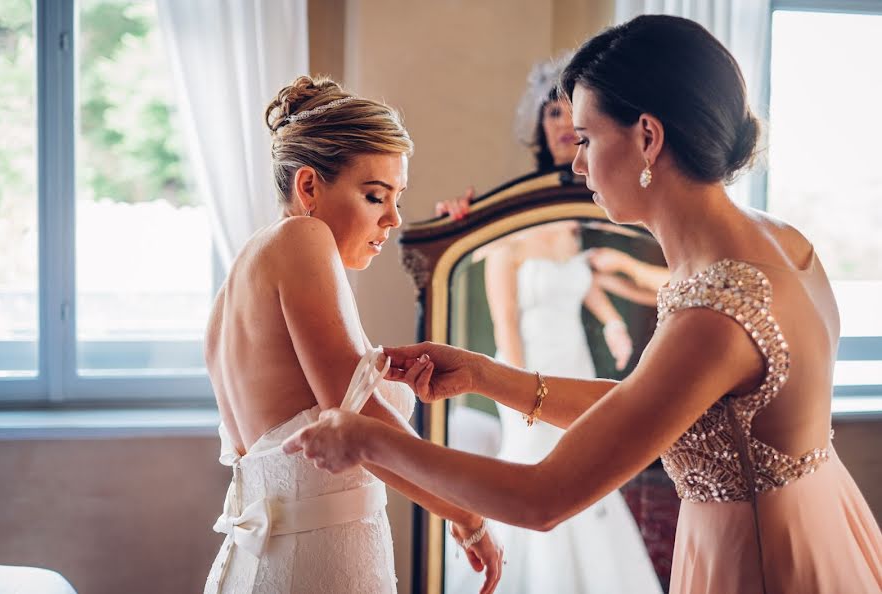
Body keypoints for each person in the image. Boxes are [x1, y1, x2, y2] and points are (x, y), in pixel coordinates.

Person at [284, 16, 882, 594]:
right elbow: (652, 405)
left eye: (587, 138)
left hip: (762, 562)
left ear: (648, 137)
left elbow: (542, 499)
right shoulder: (779, 241)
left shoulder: (718, 314)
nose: (575, 161)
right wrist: (487, 375)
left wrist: (369, 440)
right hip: (818, 528)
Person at [202, 75, 502, 594]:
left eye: (397, 198)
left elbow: (315, 408)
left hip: (264, 565)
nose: (393, 219)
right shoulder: (303, 236)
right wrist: (466, 513)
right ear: (309, 186)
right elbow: (355, 416)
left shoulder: (234, 288)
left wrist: (384, 375)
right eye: (374, 196)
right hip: (317, 567)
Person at [440, 55, 660, 594]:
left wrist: (609, 318)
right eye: (554, 114)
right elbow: (506, 321)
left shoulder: (580, 214)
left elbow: (581, 278)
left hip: (574, 362)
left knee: (588, 472)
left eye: (575, 117)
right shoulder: (514, 219)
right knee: (535, 475)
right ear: (539, 126)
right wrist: (513, 392)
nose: (564, 127)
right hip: (527, 365)